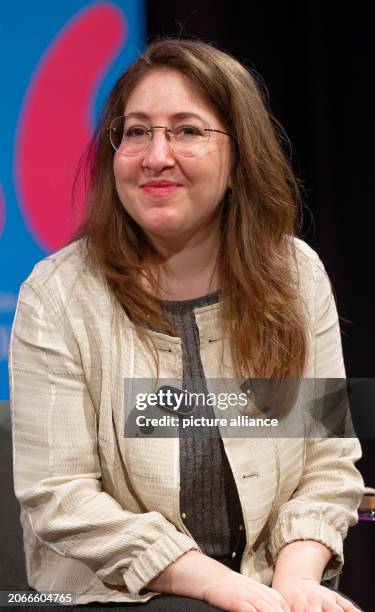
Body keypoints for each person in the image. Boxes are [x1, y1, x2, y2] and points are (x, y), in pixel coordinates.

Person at [10, 39, 364, 612]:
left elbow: (327, 461)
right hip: (107, 597)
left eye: (187, 131)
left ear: (240, 155)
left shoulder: (295, 275)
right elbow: (62, 498)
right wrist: (214, 584)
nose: (155, 156)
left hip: (265, 583)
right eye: (137, 131)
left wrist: (297, 577)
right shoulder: (57, 297)